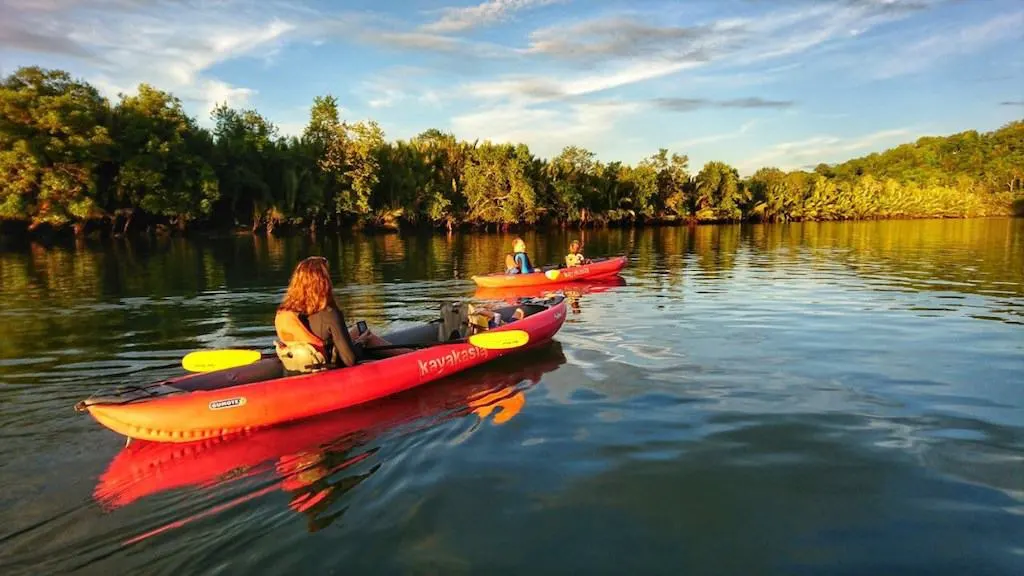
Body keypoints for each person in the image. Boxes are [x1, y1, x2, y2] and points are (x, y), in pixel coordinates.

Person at [274, 256, 403, 372]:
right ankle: (413, 356)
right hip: (327, 367)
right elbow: (349, 360)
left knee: (358, 330)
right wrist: (362, 342)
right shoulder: (330, 313)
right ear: (322, 282)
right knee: (368, 337)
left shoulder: (287, 312)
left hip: (303, 363)